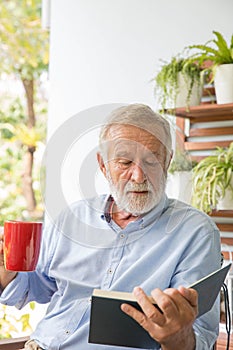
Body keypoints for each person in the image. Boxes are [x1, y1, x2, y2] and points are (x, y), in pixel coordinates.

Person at [0, 104, 221, 350]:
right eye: (125, 162)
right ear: (103, 165)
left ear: (167, 162)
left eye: (151, 160)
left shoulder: (196, 231)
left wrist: (177, 338)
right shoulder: (72, 217)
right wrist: (7, 275)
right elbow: (37, 287)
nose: (138, 176)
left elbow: (202, 335)